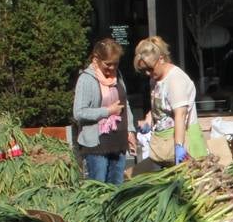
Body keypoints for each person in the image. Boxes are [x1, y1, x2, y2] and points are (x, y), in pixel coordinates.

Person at [74, 37, 137, 185]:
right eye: (108, 64)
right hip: (97, 145)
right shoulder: (86, 79)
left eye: (115, 64)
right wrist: (107, 111)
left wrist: (130, 131)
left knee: (116, 187)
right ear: (96, 59)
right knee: (99, 187)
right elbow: (79, 113)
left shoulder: (118, 76)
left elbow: (124, 104)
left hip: (118, 141)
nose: (112, 68)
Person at [134, 36, 195, 167]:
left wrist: (179, 146)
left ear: (161, 59)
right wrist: (149, 119)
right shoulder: (155, 79)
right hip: (163, 145)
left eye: (150, 69)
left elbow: (180, 114)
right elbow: (160, 105)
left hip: (182, 139)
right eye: (143, 70)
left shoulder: (175, 80)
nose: (147, 73)